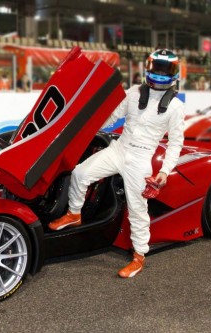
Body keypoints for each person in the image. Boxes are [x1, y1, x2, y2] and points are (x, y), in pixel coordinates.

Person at [49, 49, 185, 278]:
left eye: (166, 69)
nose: (160, 73)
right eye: (157, 67)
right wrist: (86, 122)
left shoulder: (175, 106)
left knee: (137, 210)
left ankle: (139, 256)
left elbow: (175, 143)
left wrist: (164, 171)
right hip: (119, 149)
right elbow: (111, 117)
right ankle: (74, 213)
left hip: (141, 160)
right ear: (149, 67)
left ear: (174, 73)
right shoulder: (133, 92)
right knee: (80, 173)